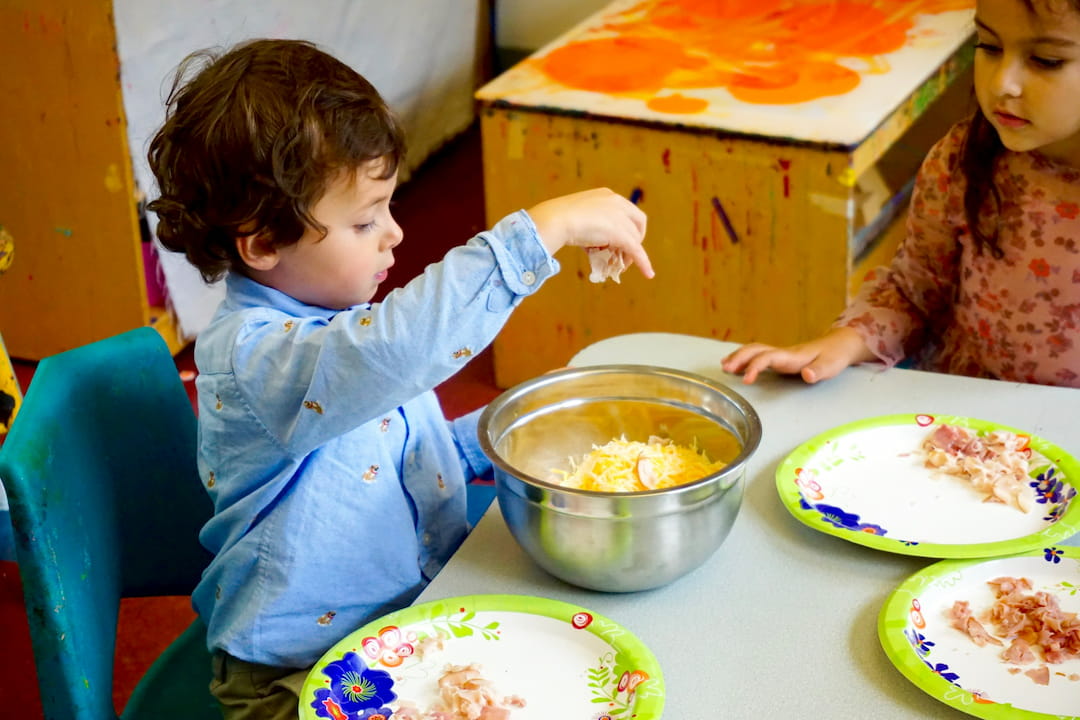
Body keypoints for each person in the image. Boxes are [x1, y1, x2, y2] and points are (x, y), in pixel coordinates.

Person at [146, 38, 653, 719]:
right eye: (363, 220)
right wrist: (544, 229)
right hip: (291, 677)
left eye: (386, 207)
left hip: (404, 635)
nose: (393, 235)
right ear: (262, 243)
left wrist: (530, 422)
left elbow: (401, 448)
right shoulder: (259, 356)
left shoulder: (339, 327)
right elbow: (397, 351)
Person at [723, 0, 1080, 387]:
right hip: (967, 421)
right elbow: (914, 295)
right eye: (990, 47)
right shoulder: (962, 160)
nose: (1001, 84)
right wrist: (836, 346)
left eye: (1046, 60)